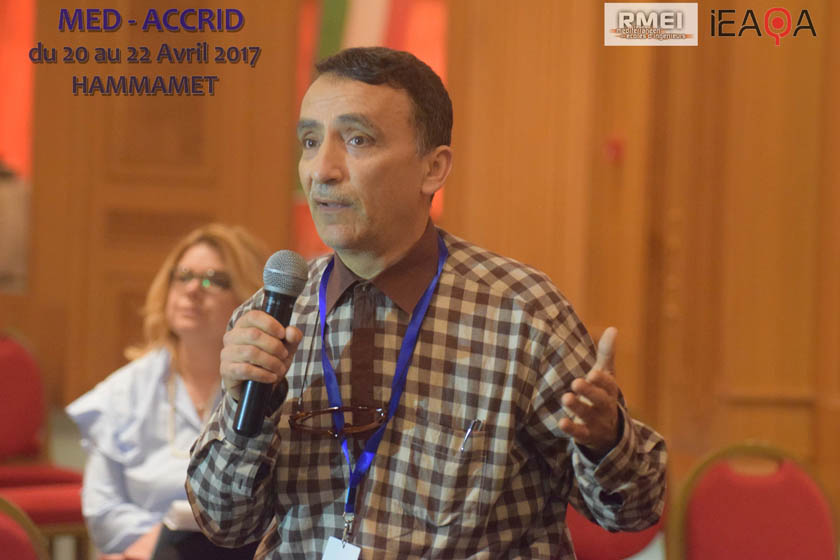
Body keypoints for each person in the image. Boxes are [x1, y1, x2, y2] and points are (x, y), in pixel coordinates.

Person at [187, 47, 667, 559]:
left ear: (433, 169)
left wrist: (606, 441)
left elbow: (635, 509)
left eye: (356, 140)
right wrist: (246, 408)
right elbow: (223, 522)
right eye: (310, 141)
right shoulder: (272, 317)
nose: (321, 170)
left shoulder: (521, 314)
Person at [67, 223, 269, 559]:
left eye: (215, 280)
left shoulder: (271, 393)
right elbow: (102, 510)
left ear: (251, 298)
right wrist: (161, 545)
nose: (193, 289)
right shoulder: (123, 392)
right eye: (183, 276)